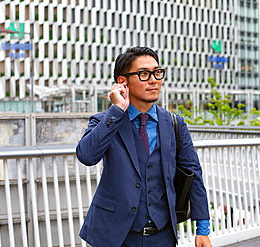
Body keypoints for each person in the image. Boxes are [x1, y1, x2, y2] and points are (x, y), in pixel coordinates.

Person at [76, 46, 211, 247]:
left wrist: (203, 229)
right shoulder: (106, 121)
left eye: (157, 72)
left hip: (162, 236)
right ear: (123, 82)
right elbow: (86, 156)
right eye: (143, 74)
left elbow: (193, 173)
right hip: (113, 236)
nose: (153, 80)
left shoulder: (175, 124)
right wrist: (116, 111)